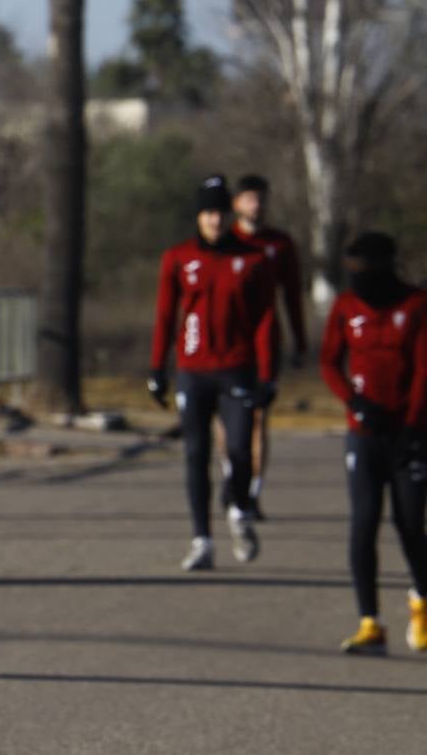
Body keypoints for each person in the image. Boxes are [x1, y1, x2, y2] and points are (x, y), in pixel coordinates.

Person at [148, 174, 276, 571]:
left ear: (229, 214)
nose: (214, 221)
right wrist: (157, 368)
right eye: (207, 213)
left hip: (236, 369)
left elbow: (266, 320)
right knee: (195, 453)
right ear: (198, 217)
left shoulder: (253, 260)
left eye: (220, 213)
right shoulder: (178, 258)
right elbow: (167, 316)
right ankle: (201, 539)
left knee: (239, 450)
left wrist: (268, 375)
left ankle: (239, 508)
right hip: (192, 370)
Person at [319, 231, 427, 655]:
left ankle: (421, 602)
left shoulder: (416, 305)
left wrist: (414, 428)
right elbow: (329, 361)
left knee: (409, 524)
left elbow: (423, 370)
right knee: (363, 524)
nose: (358, 280)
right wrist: (353, 401)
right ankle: (370, 622)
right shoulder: (346, 306)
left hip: (409, 434)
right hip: (363, 433)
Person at [230, 174, 308, 519]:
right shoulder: (222, 240)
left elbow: (292, 295)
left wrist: (299, 340)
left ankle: (252, 491)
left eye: (260, 198)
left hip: (264, 343)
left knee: (259, 419)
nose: (256, 205)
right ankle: (233, 478)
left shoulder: (280, 244)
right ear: (236, 203)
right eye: (249, 198)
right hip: (226, 346)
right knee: (228, 423)